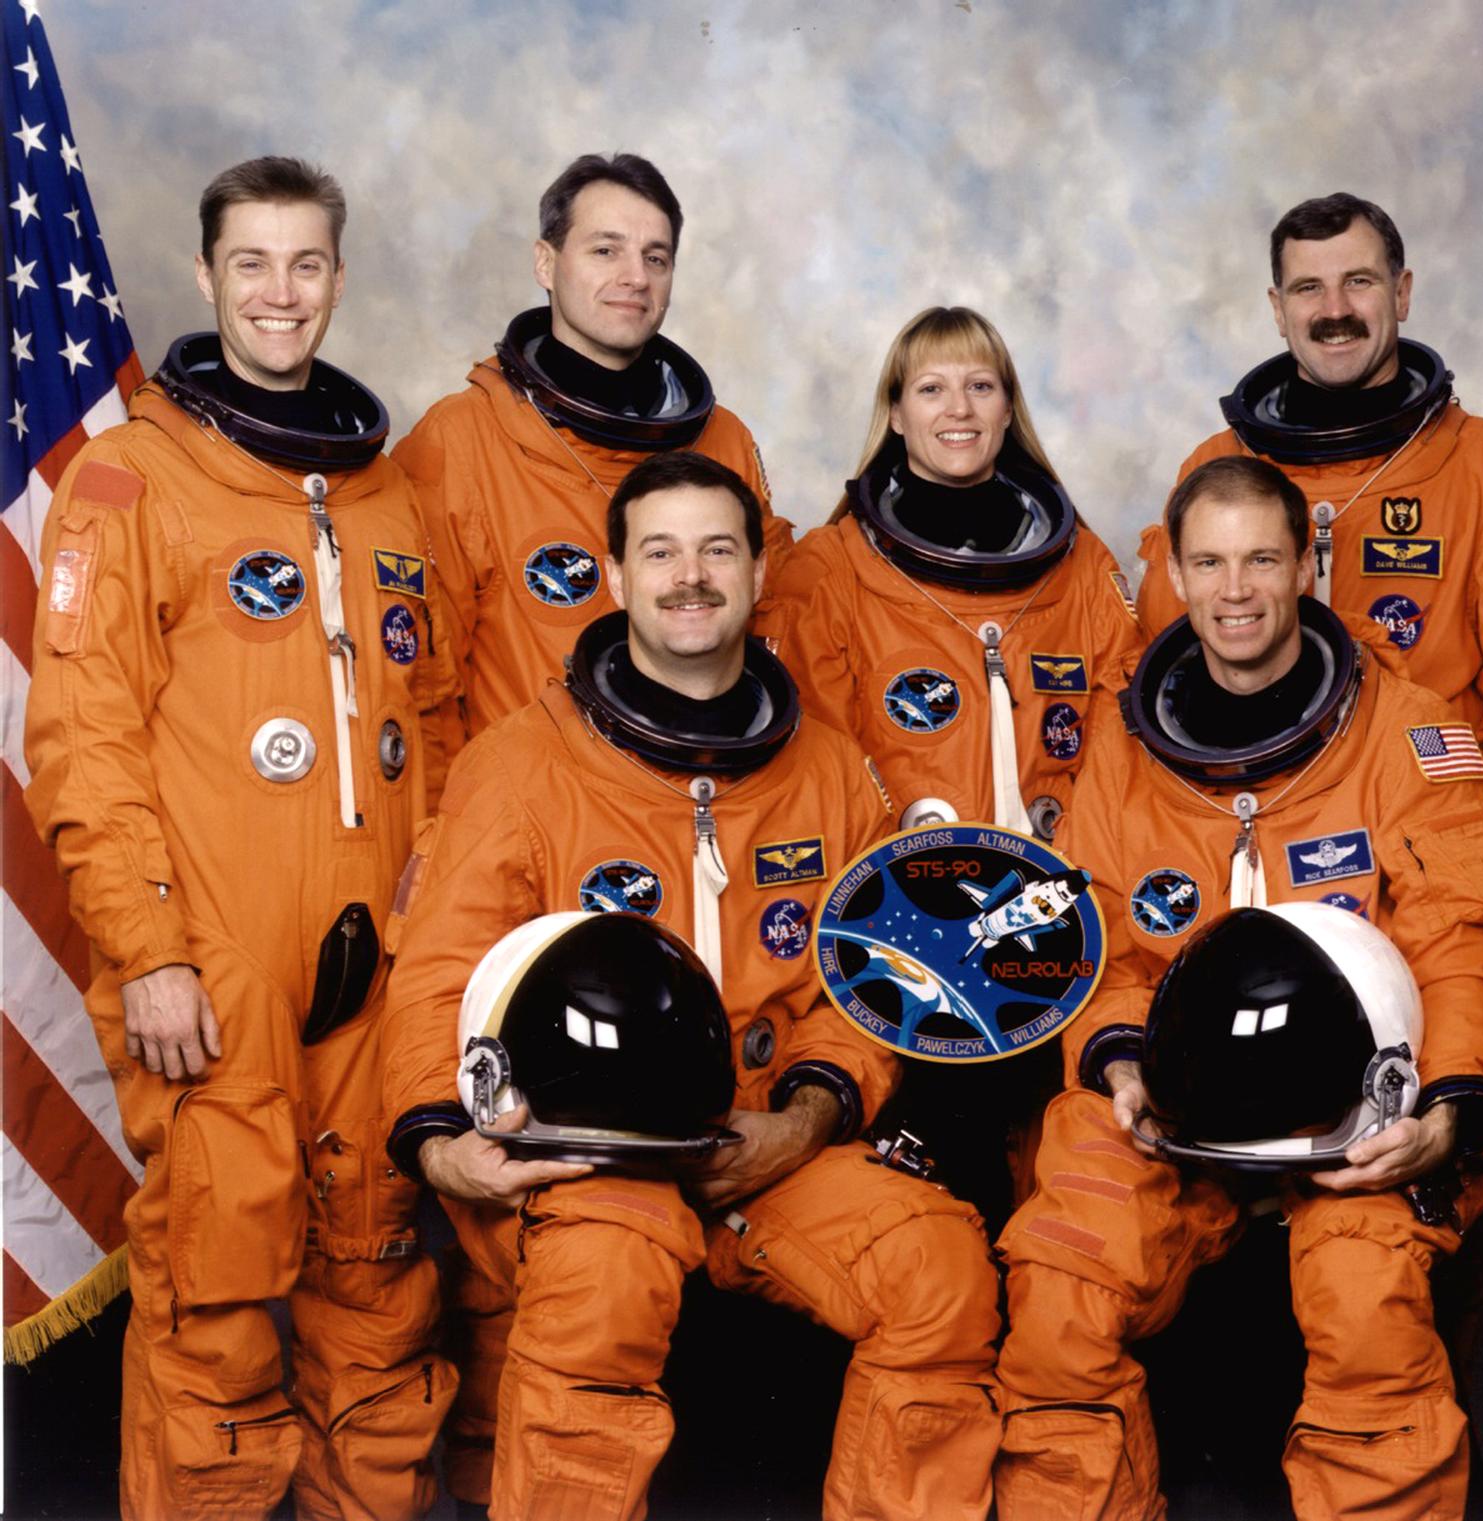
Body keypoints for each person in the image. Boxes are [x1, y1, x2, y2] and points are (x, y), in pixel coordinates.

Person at [380, 451, 1003, 1521]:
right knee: (603, 1291)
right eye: (659, 552)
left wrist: (805, 1123)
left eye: (718, 550)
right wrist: (441, 1146)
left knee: (942, 1272)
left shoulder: (826, 768)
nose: (691, 577)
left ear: (759, 574)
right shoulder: (520, 766)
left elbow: (867, 993)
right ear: (614, 578)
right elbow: (441, 978)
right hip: (584, 1150)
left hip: (760, 1143)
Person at [23, 157, 458, 1520]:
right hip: (210, 961)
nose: (282, 293)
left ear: (337, 277)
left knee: (378, 1280)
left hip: (379, 960)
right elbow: (81, 743)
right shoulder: (130, 481)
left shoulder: (389, 498)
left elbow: (437, 726)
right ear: (208, 278)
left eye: (307, 264)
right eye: (253, 265)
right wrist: (147, 950)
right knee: (217, 1291)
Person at [995, 454, 1483, 1520]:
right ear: (1177, 577)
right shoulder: (1127, 745)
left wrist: (1451, 1106)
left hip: (1361, 1114)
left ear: (1305, 567)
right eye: (1209, 563)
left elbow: (1462, 940)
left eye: (1260, 560)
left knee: (1363, 1297)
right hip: (1173, 1110)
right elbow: (1095, 937)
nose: (1234, 591)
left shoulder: (1408, 732)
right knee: (1060, 1294)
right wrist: (1122, 1064)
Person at [755, 304, 1144, 1224]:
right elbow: (817, 768)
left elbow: (1127, 746)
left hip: (1068, 922)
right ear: (894, 411)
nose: (957, 407)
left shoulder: (1082, 565)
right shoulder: (831, 572)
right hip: (907, 929)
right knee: (949, 1193)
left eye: (980, 384)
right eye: (930, 386)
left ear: (1009, 408)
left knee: (1074, 1184)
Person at [1133, 194, 1483, 833]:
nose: (1335, 312)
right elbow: (1166, 674)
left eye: (1358, 282)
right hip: (1252, 818)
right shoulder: (1214, 471)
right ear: (1278, 309)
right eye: (1308, 288)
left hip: (1431, 819)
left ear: (1402, 293)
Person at [394, 151, 790, 760]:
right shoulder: (462, 441)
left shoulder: (723, 441)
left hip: (706, 800)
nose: (635, 277)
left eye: (655, 257)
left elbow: (767, 633)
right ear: (546, 263)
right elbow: (421, 684)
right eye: (605, 250)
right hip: (536, 818)